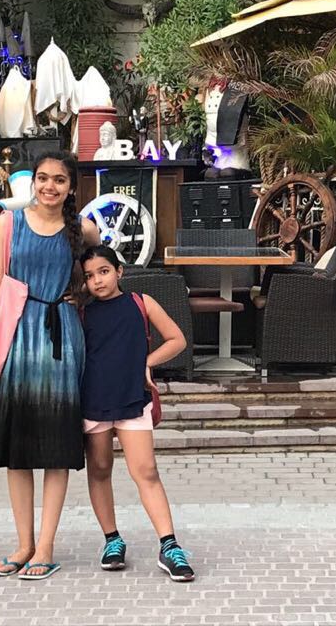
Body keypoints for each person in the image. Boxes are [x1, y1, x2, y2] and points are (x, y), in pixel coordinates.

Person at [0, 151, 100, 581]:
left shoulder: (80, 228)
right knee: (18, 447)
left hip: (61, 337)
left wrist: (81, 290)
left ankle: (46, 545)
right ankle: (24, 543)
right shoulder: (9, 224)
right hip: (15, 335)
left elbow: (100, 266)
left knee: (56, 445)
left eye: (59, 180)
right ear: (32, 182)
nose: (49, 186)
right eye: (43, 178)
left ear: (71, 187)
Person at [79, 246, 195, 581]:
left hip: (134, 398)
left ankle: (169, 545)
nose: (98, 281)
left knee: (146, 471)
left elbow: (176, 339)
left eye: (104, 271)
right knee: (99, 469)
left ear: (119, 271)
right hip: (94, 401)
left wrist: (147, 362)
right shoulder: (82, 313)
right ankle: (112, 540)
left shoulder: (141, 303)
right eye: (89, 276)